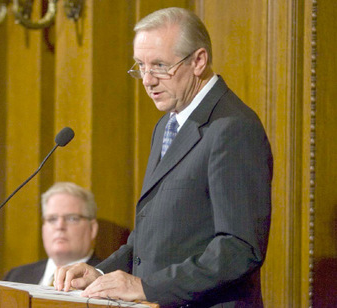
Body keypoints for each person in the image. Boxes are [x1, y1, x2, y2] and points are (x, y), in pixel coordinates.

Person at [54, 7, 273, 308]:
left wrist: (147, 287)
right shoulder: (168, 124)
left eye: (159, 66)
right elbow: (152, 236)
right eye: (141, 66)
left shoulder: (233, 128)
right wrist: (101, 272)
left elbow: (239, 247)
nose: (147, 80)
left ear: (198, 61)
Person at [3, 182, 102, 286]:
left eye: (72, 218)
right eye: (52, 219)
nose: (59, 226)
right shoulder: (16, 277)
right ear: (43, 227)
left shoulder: (105, 279)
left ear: (92, 229)